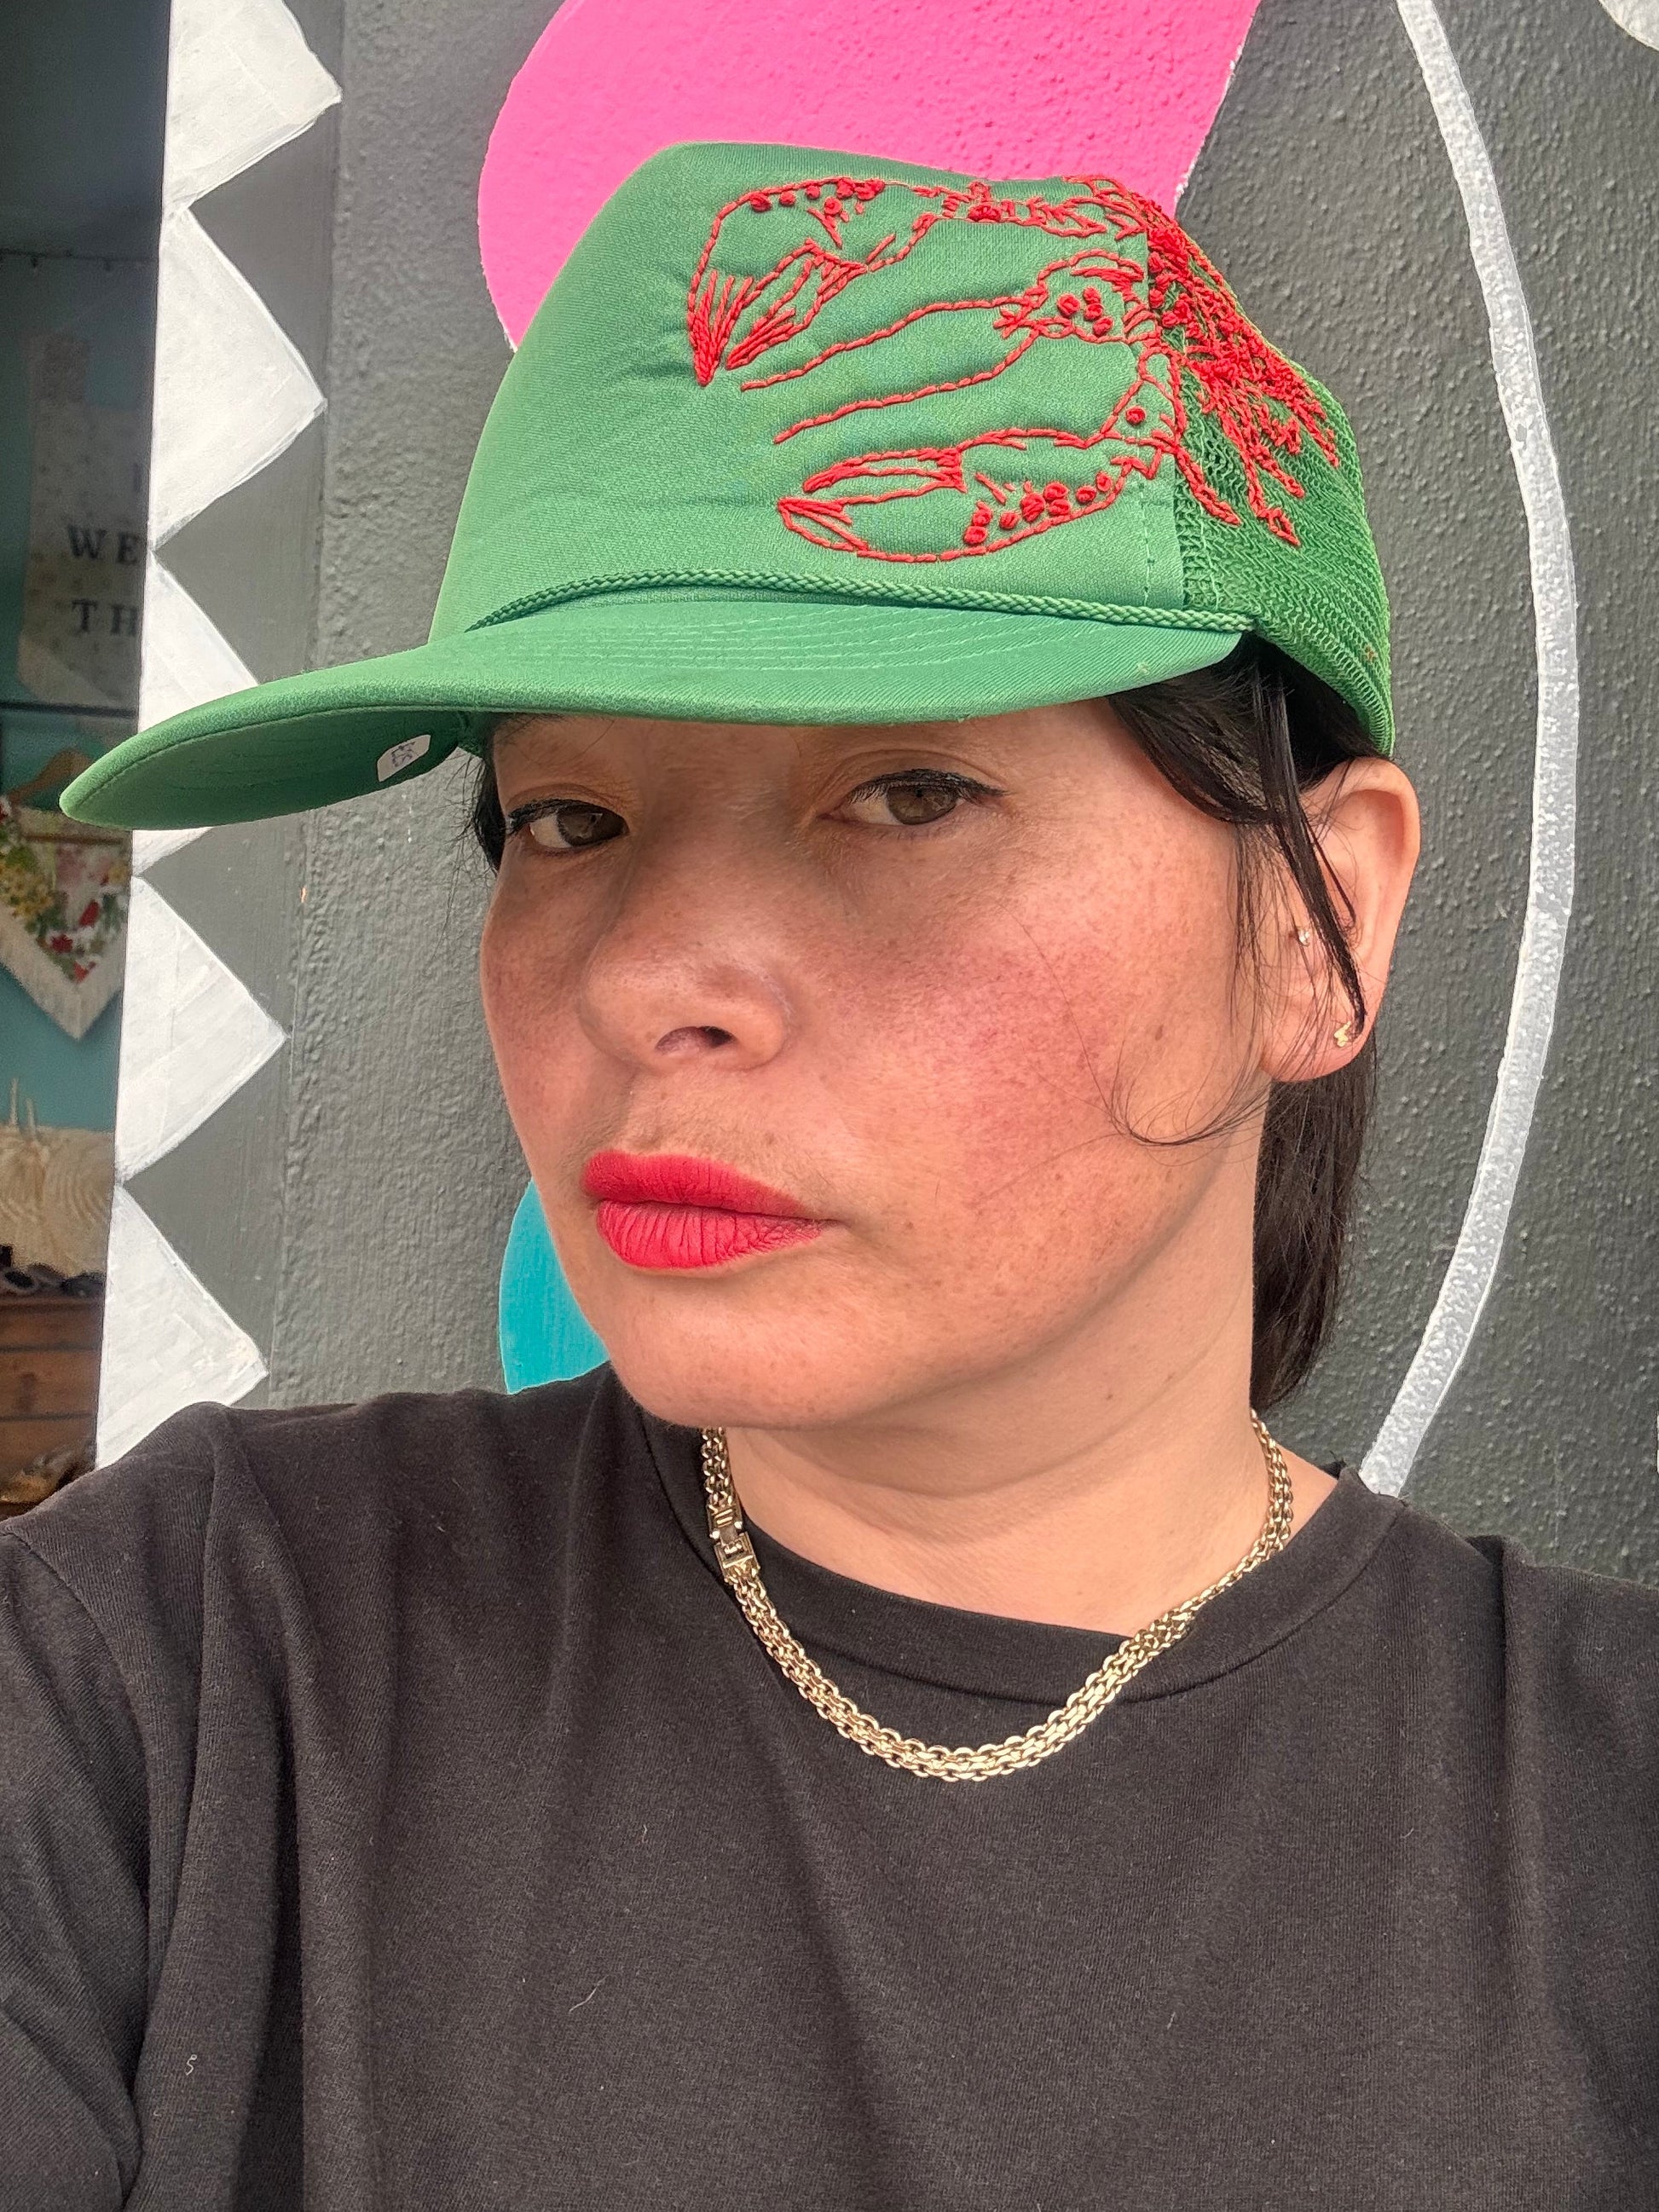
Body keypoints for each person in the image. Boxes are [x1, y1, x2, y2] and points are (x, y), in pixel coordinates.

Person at [5, 142, 1656, 2209]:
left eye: (904, 788)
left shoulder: (1600, 1828)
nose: (647, 980)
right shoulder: (177, 1669)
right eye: (563, 819)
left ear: (1316, 918)